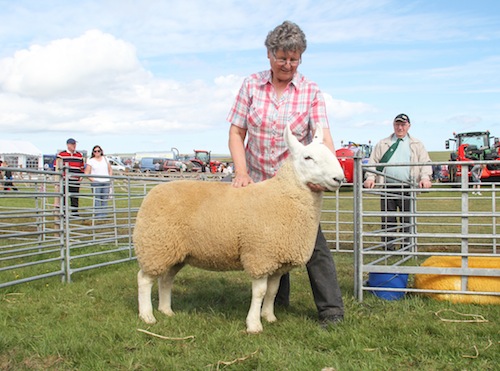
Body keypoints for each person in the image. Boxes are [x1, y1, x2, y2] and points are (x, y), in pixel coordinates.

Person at [227, 20, 344, 327]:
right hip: (257, 181)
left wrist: (326, 170)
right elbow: (236, 132)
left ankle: (331, 311)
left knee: (311, 244)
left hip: (295, 184)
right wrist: (240, 172)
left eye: (294, 59)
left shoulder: (311, 91)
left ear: (301, 57)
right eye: (282, 58)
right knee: (265, 246)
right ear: (269, 55)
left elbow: (324, 138)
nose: (287, 64)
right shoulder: (251, 85)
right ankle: (275, 305)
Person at [363, 114, 433, 250]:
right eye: (397, 124)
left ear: (408, 126)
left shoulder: (417, 144)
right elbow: (373, 162)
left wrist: (425, 177)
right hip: (387, 186)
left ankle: (407, 247)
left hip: (407, 186)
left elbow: (425, 162)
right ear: (393, 125)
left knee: (407, 219)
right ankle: (388, 247)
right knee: (388, 219)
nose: (400, 127)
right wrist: (370, 177)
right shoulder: (382, 143)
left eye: (403, 125)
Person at [55, 138, 85, 215]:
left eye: (75, 144)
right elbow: (56, 166)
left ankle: (75, 213)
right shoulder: (61, 155)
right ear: (68, 145)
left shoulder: (79, 155)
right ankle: (64, 213)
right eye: (72, 144)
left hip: (75, 179)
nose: (74, 146)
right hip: (65, 179)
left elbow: (82, 167)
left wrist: (81, 176)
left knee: (74, 197)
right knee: (64, 196)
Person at [85, 145, 113, 218]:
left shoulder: (105, 159)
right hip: (96, 182)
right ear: (93, 152)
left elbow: (110, 169)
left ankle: (104, 215)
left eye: (98, 151)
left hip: (106, 181)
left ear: (101, 151)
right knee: (97, 199)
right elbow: (87, 173)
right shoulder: (91, 161)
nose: (97, 152)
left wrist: (109, 178)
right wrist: (93, 180)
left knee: (104, 199)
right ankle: (98, 215)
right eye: (95, 151)